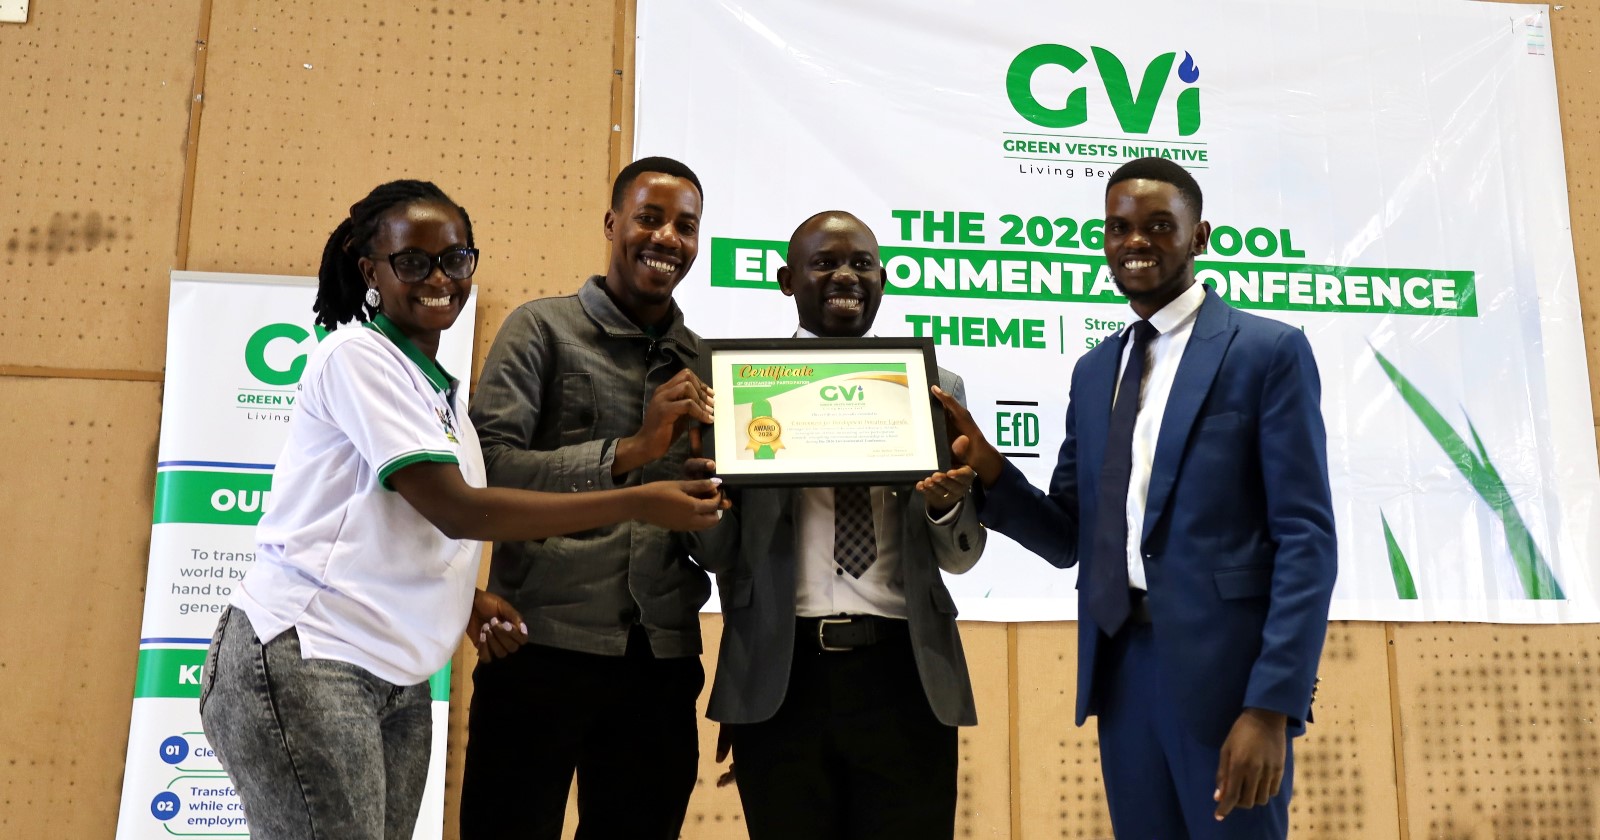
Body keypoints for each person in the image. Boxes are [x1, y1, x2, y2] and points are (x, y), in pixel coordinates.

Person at [198, 180, 725, 840]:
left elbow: (398, 516)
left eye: (455, 259)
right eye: (412, 262)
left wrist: (466, 600)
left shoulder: (432, 387)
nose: (439, 278)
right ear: (371, 271)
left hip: (396, 671)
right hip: (311, 655)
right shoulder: (359, 355)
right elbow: (459, 509)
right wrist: (639, 488)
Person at [930, 158, 1337, 839]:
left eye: (1157, 226)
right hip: (1122, 674)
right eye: (1119, 228)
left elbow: (1306, 540)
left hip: (1230, 684)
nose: (1136, 242)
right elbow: (1069, 536)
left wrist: (1272, 705)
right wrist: (991, 472)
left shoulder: (1268, 351)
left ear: (1199, 235)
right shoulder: (1095, 372)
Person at [686, 211, 987, 840]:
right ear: (786, 280)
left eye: (862, 264)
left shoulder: (934, 388)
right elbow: (718, 556)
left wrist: (944, 505)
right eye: (824, 262)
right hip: (781, 674)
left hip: (907, 672)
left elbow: (960, 558)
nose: (846, 275)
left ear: (882, 280)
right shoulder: (738, 389)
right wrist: (706, 496)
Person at [459, 157, 718, 840]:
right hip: (535, 648)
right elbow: (489, 475)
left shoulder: (710, 366)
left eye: (685, 226)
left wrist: (724, 490)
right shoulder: (540, 329)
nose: (667, 238)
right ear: (612, 224)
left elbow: (717, 541)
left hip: (661, 663)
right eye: (650, 217)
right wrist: (631, 450)